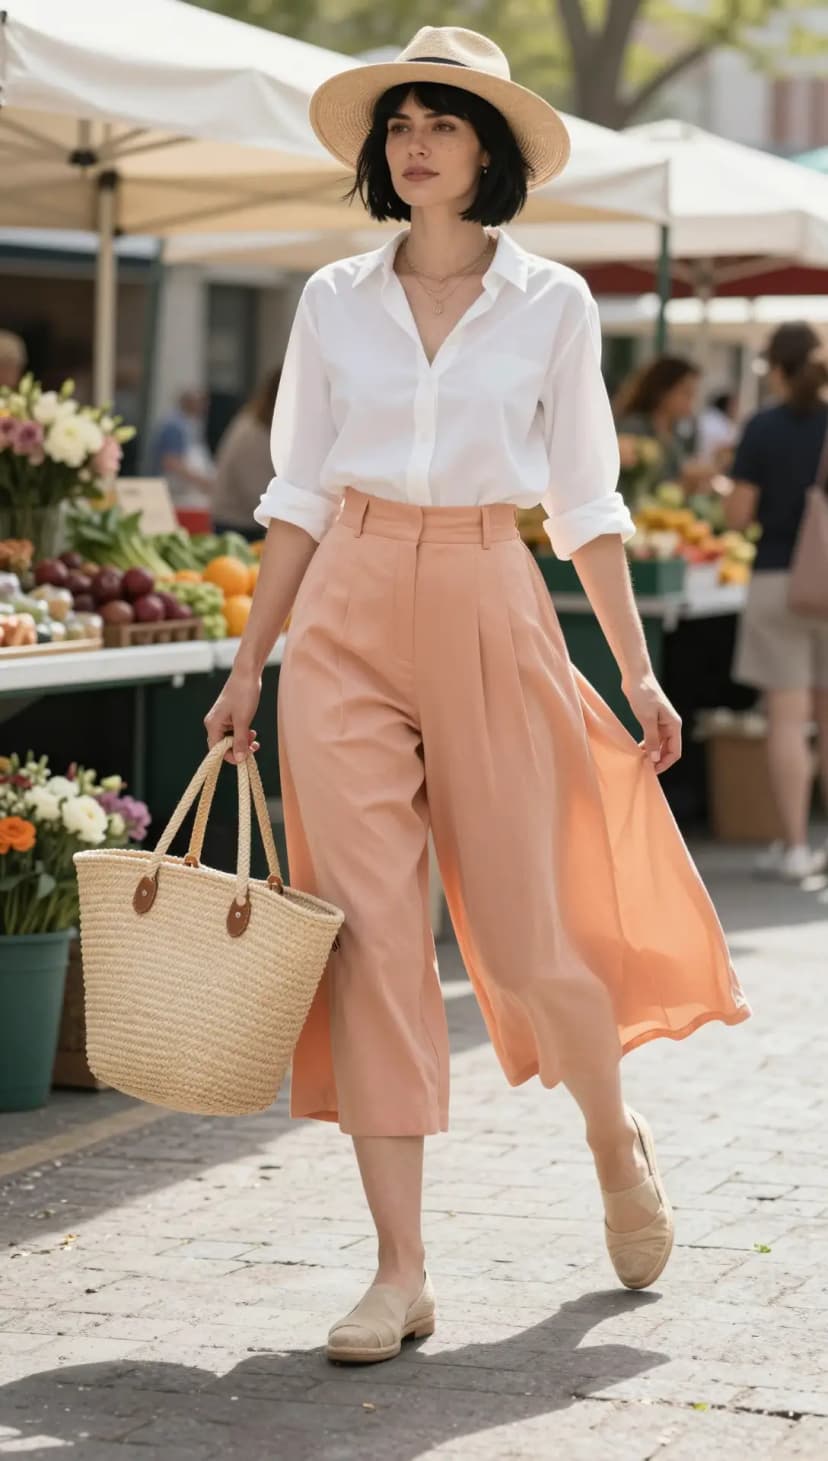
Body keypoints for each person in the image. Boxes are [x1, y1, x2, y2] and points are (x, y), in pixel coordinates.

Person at [204, 26, 750, 1364]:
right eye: (401, 119)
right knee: (371, 940)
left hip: (491, 598)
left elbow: (584, 501)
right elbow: (292, 495)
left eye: (444, 119)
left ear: (490, 150)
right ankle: (399, 1272)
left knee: (527, 939)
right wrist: (246, 662)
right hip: (344, 607)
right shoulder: (332, 297)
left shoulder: (554, 302)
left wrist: (630, 663)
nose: (416, 138)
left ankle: (613, 1137)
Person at [726, 321, 828, 881]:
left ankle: (793, 846)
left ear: (780, 369)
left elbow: (738, 515)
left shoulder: (763, 428)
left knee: (787, 720)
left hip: (777, 581)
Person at [615, 356, 709, 488]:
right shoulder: (634, 428)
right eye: (686, 393)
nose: (691, 402)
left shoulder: (676, 431)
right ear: (662, 391)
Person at [210, 369, 281, 538]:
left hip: (242, 521)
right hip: (238, 526)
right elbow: (258, 495)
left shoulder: (253, 423)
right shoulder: (254, 434)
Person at [149, 389, 214, 508]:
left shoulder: (192, 424)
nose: (205, 406)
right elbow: (171, 462)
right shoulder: (174, 425)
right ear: (189, 402)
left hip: (185, 491)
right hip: (173, 492)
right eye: (200, 402)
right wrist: (203, 482)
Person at [698, 390, 739, 468]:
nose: (736, 409)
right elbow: (726, 446)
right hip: (708, 465)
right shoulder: (716, 422)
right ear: (726, 405)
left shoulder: (715, 419)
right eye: (734, 405)